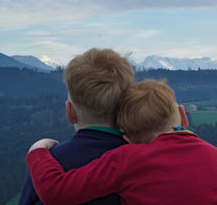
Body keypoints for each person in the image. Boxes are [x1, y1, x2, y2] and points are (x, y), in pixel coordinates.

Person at [26, 80, 217, 205]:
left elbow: (56, 193)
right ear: (183, 117)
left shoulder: (128, 158)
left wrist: (38, 152)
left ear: (127, 138)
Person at [19, 48, 134, 205]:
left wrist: (37, 152)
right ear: (125, 109)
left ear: (70, 112)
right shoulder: (142, 158)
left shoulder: (45, 165)